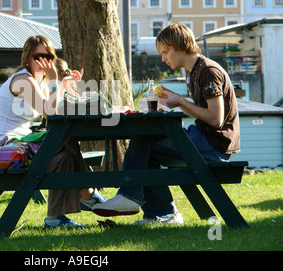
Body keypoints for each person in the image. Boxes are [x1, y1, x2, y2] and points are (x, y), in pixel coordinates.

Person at [93, 23, 240, 225]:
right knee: (146, 144)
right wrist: (178, 99)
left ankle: (134, 198)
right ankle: (160, 214)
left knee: (145, 140)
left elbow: (215, 119)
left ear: (179, 46)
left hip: (213, 145)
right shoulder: (195, 71)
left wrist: (180, 101)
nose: (163, 58)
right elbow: (204, 113)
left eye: (165, 52)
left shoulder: (208, 71)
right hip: (204, 138)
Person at [0, 35, 105, 228]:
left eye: (49, 57)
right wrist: (55, 80)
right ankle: (88, 194)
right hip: (0, 147)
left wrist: (65, 85)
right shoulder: (23, 79)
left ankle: (55, 219)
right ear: (27, 57)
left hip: (22, 143)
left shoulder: (40, 81)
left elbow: (56, 109)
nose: (44, 61)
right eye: (38, 56)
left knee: (63, 156)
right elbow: (49, 111)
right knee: (63, 139)